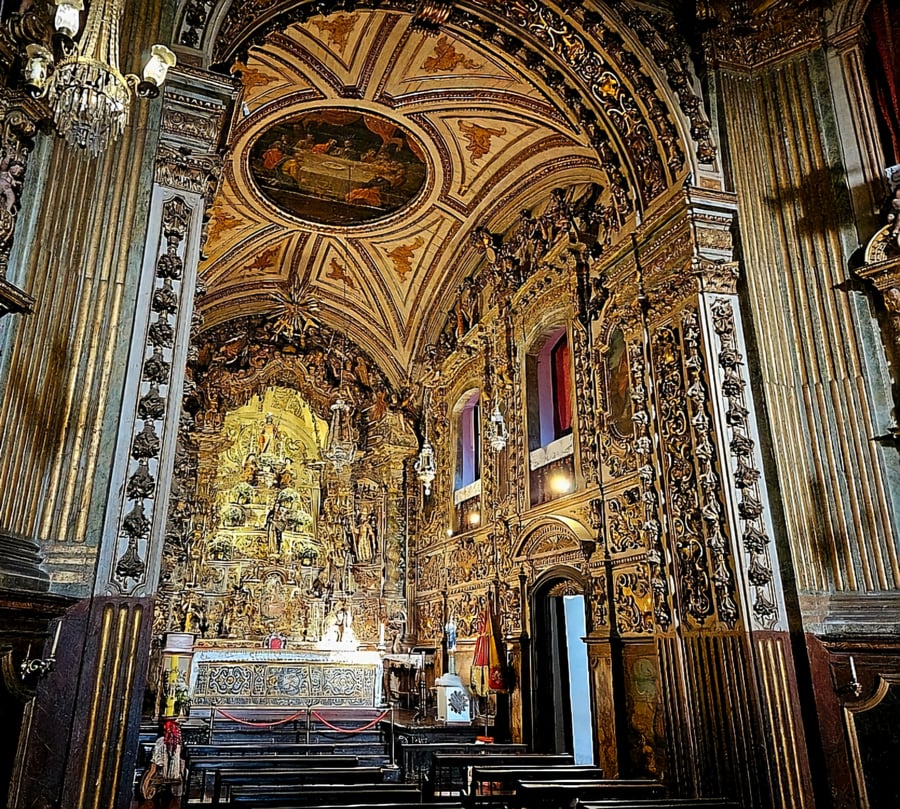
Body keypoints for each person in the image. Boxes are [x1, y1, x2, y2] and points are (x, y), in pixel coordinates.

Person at [141, 720, 185, 808]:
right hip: (168, 772)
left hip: (166, 771)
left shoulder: (162, 741)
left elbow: (155, 761)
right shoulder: (168, 741)